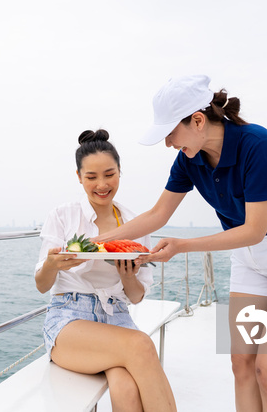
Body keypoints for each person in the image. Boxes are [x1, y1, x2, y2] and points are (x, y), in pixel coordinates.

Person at [95, 75, 267, 412]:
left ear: (198, 120)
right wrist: (96, 242)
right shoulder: (191, 159)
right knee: (241, 365)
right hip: (249, 258)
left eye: (170, 133)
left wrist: (181, 246)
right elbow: (158, 213)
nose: (168, 143)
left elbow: (254, 230)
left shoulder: (257, 144)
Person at [35, 129, 177, 412]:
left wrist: (127, 277)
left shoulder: (135, 223)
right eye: (91, 177)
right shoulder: (62, 215)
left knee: (125, 386)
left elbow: (135, 297)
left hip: (117, 317)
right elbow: (41, 284)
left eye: (109, 174)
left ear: (120, 172)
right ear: (79, 177)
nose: (102, 184)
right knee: (141, 345)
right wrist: (52, 263)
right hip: (69, 318)